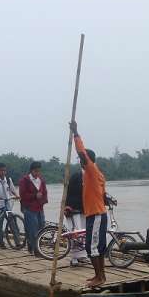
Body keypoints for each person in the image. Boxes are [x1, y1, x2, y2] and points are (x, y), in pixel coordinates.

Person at [70, 121, 107, 286]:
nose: (80, 162)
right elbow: (102, 194)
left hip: (97, 215)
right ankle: (100, 276)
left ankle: (99, 277)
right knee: (97, 248)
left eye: (81, 160)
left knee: (91, 248)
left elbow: (83, 154)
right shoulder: (93, 174)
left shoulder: (92, 171)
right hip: (94, 213)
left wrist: (76, 134)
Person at [18, 162, 48, 255]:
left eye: (39, 171)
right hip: (29, 208)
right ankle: (36, 250)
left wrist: (43, 201)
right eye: (36, 171)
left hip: (39, 208)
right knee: (33, 228)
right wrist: (35, 195)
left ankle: (32, 245)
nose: (37, 173)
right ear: (31, 170)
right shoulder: (24, 180)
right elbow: (22, 195)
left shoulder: (41, 180)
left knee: (41, 226)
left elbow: (45, 192)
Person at [64, 170, 88, 266]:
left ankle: (82, 256)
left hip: (83, 210)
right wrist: (67, 206)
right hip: (73, 210)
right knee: (74, 234)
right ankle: (74, 258)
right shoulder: (76, 177)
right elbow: (68, 194)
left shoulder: (86, 178)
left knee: (83, 234)